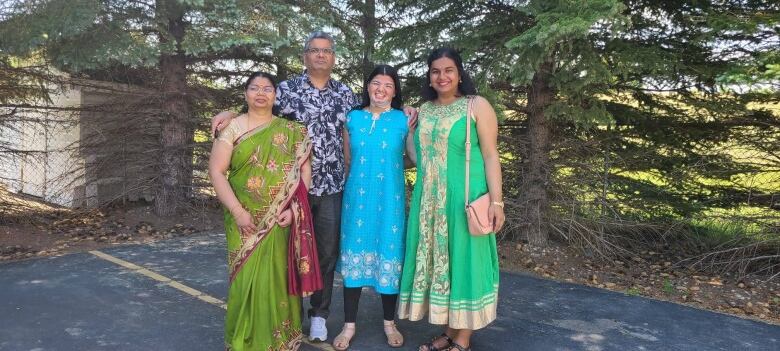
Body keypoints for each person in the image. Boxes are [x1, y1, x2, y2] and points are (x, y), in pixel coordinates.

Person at [212, 31, 360, 342]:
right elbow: (257, 111)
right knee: (282, 254)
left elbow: (373, 112)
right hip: (286, 193)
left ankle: (319, 315)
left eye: (326, 51)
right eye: (314, 50)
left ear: (333, 58)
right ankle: (278, 317)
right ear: (305, 56)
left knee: (325, 253)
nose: (320, 55)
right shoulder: (286, 90)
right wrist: (227, 113)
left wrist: (409, 111)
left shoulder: (346, 94)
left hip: (330, 186)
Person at [398, 48, 505, 351]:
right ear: (429, 77)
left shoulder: (476, 106)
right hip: (429, 203)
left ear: (459, 74)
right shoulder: (425, 110)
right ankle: (449, 331)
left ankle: (464, 339)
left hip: (464, 200)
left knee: (465, 262)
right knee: (442, 267)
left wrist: (497, 203)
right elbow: (419, 157)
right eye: (435, 71)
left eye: (448, 70)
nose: (442, 76)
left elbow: (490, 155)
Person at [209, 71, 318, 350]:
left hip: (281, 218)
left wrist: (294, 210)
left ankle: (281, 341)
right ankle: (244, 341)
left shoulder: (292, 130)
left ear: (275, 94)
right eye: (254, 88)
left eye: (267, 88)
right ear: (245, 94)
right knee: (245, 281)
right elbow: (217, 172)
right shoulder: (231, 128)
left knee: (278, 279)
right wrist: (236, 210)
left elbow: (305, 171)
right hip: (243, 218)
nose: (260, 93)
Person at [332, 65, 410, 350]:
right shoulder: (352, 118)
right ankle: (348, 325)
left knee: (389, 254)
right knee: (354, 257)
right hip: (358, 198)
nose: (381, 89)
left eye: (388, 85)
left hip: (390, 199)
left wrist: (389, 167)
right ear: (367, 86)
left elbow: (412, 156)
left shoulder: (404, 120)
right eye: (376, 83)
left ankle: (389, 323)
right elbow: (348, 158)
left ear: (395, 90)